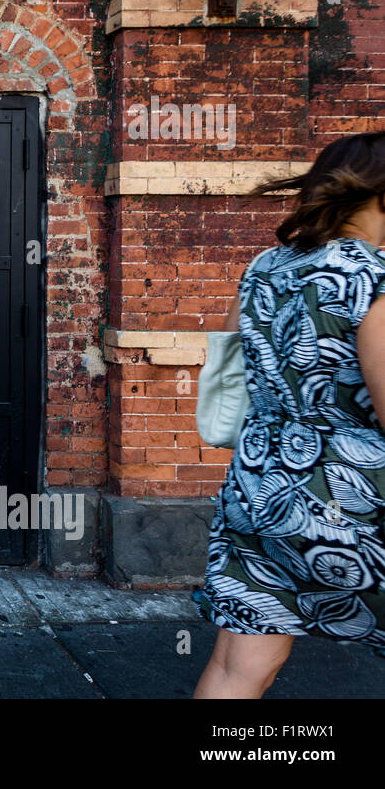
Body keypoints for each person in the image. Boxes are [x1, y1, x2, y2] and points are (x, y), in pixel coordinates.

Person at [195, 130, 385, 698]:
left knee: (239, 664)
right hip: (354, 495)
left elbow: (229, 369)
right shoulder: (373, 277)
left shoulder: (265, 267)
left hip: (261, 484)